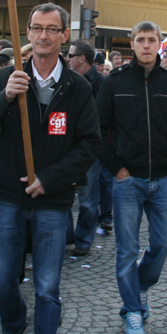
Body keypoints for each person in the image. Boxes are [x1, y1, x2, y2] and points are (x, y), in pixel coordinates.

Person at [0, 4, 101, 334]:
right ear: (27, 32)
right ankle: (11, 324)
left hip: (52, 201)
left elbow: (90, 144)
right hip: (7, 197)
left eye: (52, 29)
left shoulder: (78, 88)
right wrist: (4, 98)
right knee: (3, 278)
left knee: (47, 288)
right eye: (36, 28)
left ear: (64, 36)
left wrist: (50, 179)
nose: (43, 36)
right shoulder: (8, 78)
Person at [96, 21, 167, 334]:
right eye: (141, 40)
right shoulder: (115, 82)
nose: (146, 45)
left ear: (160, 45)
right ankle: (133, 309)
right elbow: (98, 130)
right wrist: (116, 168)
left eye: (152, 40)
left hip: (163, 180)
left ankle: (138, 287)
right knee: (126, 250)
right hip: (128, 180)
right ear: (132, 44)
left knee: (166, 241)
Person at [66, 39, 105, 256]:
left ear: (82, 58)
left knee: (89, 200)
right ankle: (65, 237)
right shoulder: (67, 80)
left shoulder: (100, 83)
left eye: (71, 56)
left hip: (90, 150)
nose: (67, 59)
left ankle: (83, 240)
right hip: (66, 146)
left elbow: (96, 117)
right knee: (61, 194)